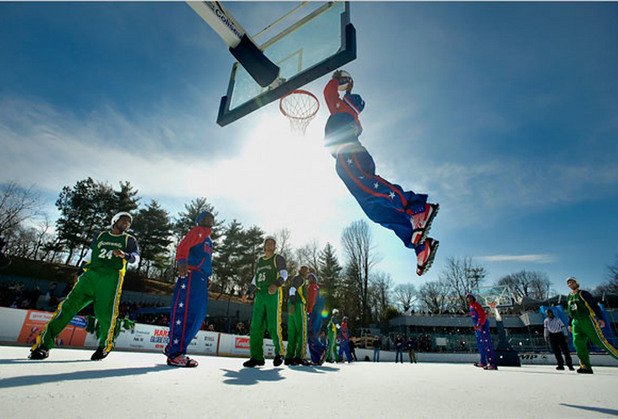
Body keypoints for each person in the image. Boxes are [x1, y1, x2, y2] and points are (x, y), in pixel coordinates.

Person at [323, 70, 439, 276]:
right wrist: (349, 88)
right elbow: (339, 98)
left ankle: (415, 206)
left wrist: (336, 79)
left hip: (348, 153)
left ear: (346, 102)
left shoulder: (340, 110)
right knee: (375, 211)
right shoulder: (352, 117)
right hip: (351, 156)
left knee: (368, 186)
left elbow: (328, 93)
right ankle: (420, 245)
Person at [29, 212, 140, 360]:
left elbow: (136, 258)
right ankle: (43, 345)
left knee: (105, 315)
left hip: (110, 279)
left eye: (129, 222)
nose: (126, 223)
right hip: (89, 277)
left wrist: (124, 255)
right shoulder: (100, 236)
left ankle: (104, 346)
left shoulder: (129, 240)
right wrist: (80, 274)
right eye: (124, 220)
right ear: (115, 220)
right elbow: (88, 256)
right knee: (66, 308)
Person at [164, 211, 214, 368]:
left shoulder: (208, 238)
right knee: (185, 312)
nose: (210, 219)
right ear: (199, 220)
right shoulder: (198, 231)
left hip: (201, 278)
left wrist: (207, 275)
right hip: (190, 274)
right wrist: (181, 261)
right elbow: (183, 246)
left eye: (211, 218)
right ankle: (175, 353)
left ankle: (177, 348)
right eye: (206, 217)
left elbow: (204, 259)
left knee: (197, 316)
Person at [242, 236, 288, 368]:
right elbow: (255, 280)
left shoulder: (278, 258)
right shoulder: (260, 260)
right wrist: (247, 293)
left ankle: (279, 353)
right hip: (260, 294)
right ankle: (256, 357)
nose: (270, 244)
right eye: (267, 242)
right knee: (256, 326)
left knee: (273, 325)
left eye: (273, 243)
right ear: (264, 245)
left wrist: (276, 284)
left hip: (272, 293)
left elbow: (284, 274)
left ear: (275, 246)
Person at [565, 277, 618, 374]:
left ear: (577, 283)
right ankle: (585, 367)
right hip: (575, 322)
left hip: (587, 320)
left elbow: (594, 305)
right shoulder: (569, 296)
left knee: (601, 342)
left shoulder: (583, 293)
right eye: (568, 283)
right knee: (578, 344)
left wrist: (600, 318)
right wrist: (569, 324)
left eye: (572, 282)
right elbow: (570, 311)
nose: (570, 284)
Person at [285, 265, 310, 366]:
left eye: (307, 270)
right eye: (305, 270)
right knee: (302, 331)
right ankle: (300, 356)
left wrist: (291, 303)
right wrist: (293, 302)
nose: (306, 272)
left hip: (292, 305)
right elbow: (292, 289)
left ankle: (289, 357)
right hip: (297, 304)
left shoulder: (297, 278)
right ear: (300, 270)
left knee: (292, 332)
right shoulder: (300, 278)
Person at [467, 293, 497, 370]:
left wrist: (480, 323)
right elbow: (474, 317)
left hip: (482, 326)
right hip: (477, 328)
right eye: (468, 298)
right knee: (480, 345)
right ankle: (483, 361)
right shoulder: (471, 306)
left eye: (470, 297)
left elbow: (482, 315)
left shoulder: (476, 305)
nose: (469, 299)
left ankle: (492, 363)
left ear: (473, 298)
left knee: (487, 344)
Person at [306, 271, 326, 365]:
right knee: (311, 337)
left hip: (314, 313)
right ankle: (316, 359)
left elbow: (311, 300)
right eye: (308, 278)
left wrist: (308, 311)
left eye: (310, 277)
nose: (308, 279)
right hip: (317, 314)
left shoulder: (313, 287)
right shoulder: (316, 288)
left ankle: (321, 350)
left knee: (311, 334)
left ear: (314, 279)